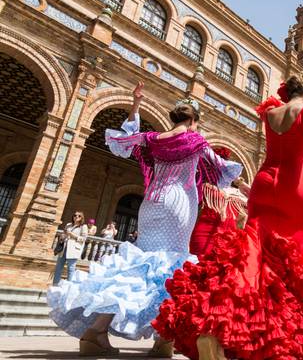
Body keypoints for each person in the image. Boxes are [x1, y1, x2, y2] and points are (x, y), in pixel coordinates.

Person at [152, 76, 303, 360]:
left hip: (263, 183)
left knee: (250, 255)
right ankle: (266, 336)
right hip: (293, 189)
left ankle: (214, 328)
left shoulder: (271, 112)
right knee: (285, 266)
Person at [47, 81, 242, 357]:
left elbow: (124, 140)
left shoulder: (152, 139)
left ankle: (96, 331)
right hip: (178, 204)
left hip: (151, 202)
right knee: (172, 268)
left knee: (139, 265)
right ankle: (163, 339)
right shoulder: (195, 140)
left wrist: (136, 104)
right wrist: (243, 187)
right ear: (194, 120)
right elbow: (220, 168)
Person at [188, 146, 249, 256]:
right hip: (203, 236)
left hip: (228, 244)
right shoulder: (206, 187)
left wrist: (239, 181)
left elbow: (256, 198)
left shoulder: (237, 195)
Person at [51, 211, 88, 285]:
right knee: (58, 267)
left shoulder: (83, 226)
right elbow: (64, 233)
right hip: (64, 248)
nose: (76, 217)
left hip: (73, 249)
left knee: (70, 268)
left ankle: (68, 286)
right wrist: (62, 236)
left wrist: (71, 234)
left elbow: (83, 239)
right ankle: (54, 285)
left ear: (82, 218)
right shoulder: (68, 225)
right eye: (75, 215)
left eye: (79, 216)